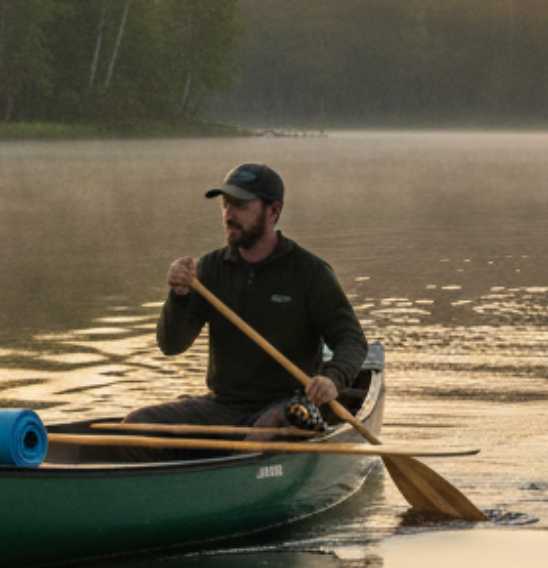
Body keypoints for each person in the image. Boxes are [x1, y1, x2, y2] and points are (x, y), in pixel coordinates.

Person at [124, 162, 368, 439]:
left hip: (291, 403)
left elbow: (352, 340)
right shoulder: (209, 269)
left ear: (273, 211)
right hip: (224, 406)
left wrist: (332, 379)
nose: (229, 214)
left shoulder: (309, 272)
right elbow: (171, 346)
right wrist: (178, 297)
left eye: (240, 205)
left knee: (259, 435)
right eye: (226, 205)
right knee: (135, 424)